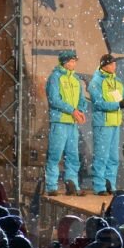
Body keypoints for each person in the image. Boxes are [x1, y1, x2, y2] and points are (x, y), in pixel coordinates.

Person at [44, 49, 88, 197]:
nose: (73, 63)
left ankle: (72, 184)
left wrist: (80, 111)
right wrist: (72, 111)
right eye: (71, 61)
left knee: (73, 155)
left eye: (75, 61)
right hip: (60, 121)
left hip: (72, 124)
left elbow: (82, 99)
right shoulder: (55, 78)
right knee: (55, 155)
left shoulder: (76, 79)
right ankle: (51, 186)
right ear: (64, 62)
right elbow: (54, 99)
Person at [89, 54, 124, 195]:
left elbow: (123, 99)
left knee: (113, 157)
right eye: (112, 64)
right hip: (103, 123)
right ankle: (99, 186)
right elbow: (99, 103)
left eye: (115, 63)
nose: (115, 66)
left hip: (115, 123)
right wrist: (119, 104)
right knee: (101, 156)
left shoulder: (117, 82)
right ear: (105, 65)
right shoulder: (96, 82)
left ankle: (110, 184)